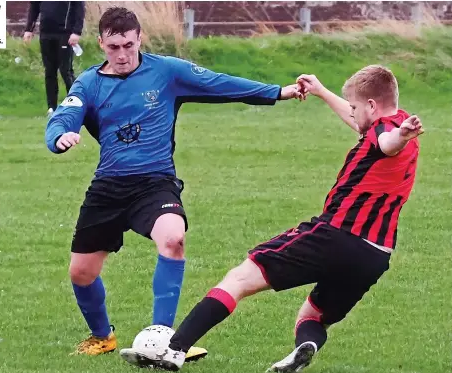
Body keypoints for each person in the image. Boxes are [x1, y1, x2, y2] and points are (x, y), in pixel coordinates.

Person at [119, 65, 424, 372]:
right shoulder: (392, 122)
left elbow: (387, 141)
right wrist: (321, 91)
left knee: (238, 279)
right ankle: (304, 348)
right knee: (312, 316)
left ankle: (173, 350)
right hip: (374, 254)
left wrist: (399, 136)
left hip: (335, 236)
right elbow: (369, 127)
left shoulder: (390, 132)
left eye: (357, 107)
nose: (353, 113)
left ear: (372, 106)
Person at [44, 6, 305, 358]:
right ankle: (102, 336)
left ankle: (164, 339)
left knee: (173, 239)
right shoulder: (89, 82)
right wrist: (59, 137)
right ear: (101, 44)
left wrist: (277, 91)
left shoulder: (165, 71)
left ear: (140, 40)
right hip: (108, 186)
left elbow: (219, 83)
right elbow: (66, 114)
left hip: (155, 183)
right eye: (113, 47)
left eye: (128, 45)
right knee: (81, 274)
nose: (122, 55)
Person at [24, 1, 86, 116]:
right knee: (49, 70)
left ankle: (76, 105)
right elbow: (34, 6)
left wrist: (77, 31)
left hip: (65, 33)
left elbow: (79, 8)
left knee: (65, 70)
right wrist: (29, 29)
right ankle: (52, 108)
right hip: (46, 33)